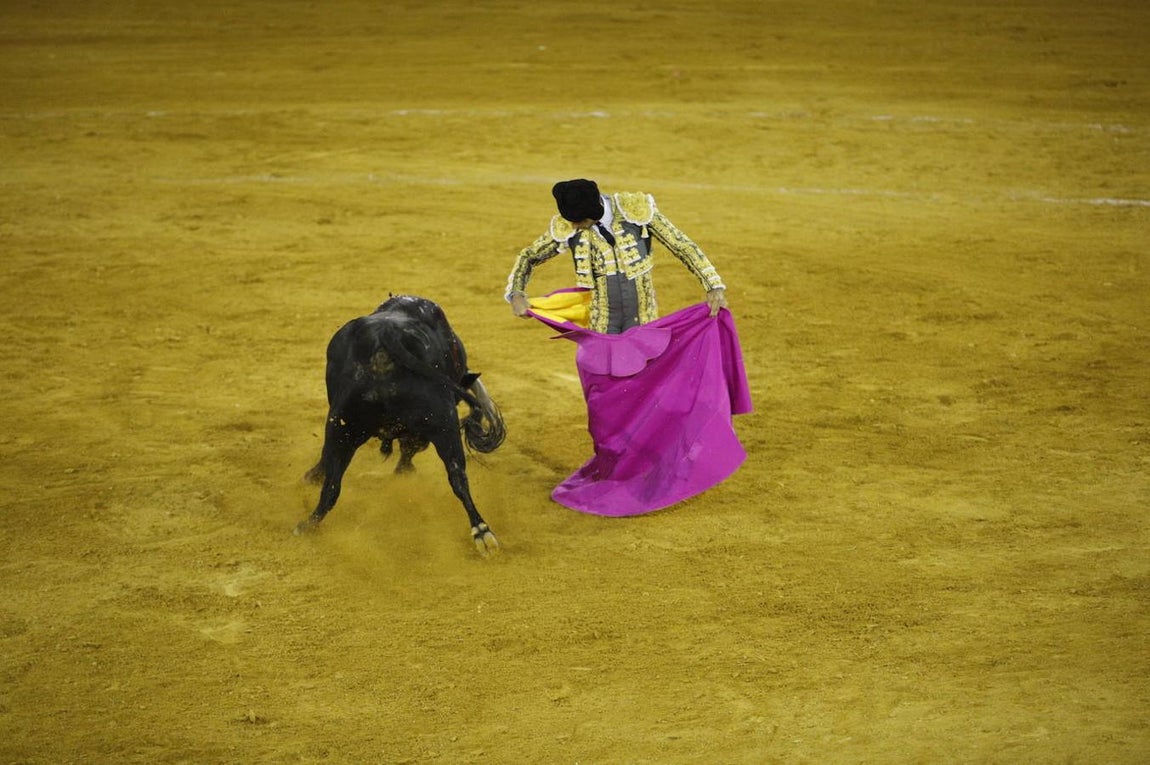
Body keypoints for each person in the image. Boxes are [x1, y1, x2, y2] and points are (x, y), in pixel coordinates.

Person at [505, 179, 728, 334]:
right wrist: (516, 294)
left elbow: (681, 244)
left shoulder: (635, 211)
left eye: (577, 221)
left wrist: (713, 285)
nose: (572, 225)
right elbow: (529, 256)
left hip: (644, 316)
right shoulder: (570, 227)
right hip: (602, 320)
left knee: (646, 375)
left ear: (592, 213)